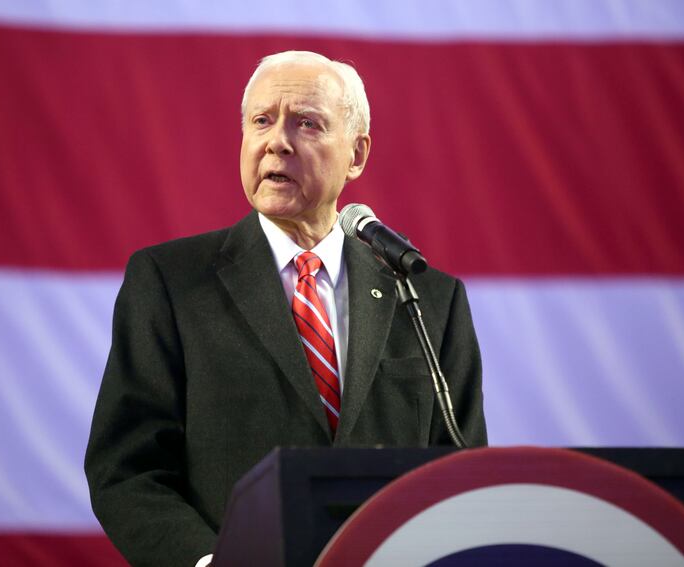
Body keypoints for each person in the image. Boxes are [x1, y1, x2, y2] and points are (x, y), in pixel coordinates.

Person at [84, 50, 486, 567]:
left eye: (307, 123)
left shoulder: (427, 297)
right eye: (261, 121)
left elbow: (461, 472)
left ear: (357, 154)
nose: (277, 141)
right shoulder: (170, 282)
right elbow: (127, 468)